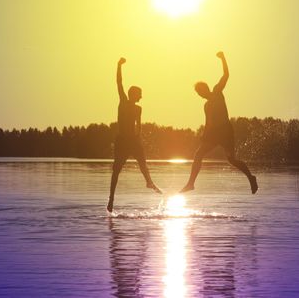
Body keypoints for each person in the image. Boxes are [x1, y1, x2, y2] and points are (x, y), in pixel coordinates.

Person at [180, 51, 258, 194]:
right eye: (198, 94)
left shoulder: (217, 91)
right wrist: (204, 135)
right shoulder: (206, 105)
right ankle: (190, 183)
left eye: (200, 92)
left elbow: (226, 75)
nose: (200, 96)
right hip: (214, 133)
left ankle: (250, 177)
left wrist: (223, 58)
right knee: (198, 154)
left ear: (205, 89)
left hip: (225, 131)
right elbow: (208, 122)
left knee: (232, 160)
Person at [107, 57, 162, 212]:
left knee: (143, 164)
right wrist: (118, 65)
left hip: (133, 141)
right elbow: (119, 83)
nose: (141, 97)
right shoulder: (123, 101)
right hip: (122, 141)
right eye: (140, 94)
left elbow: (139, 126)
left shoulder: (139, 109)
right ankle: (111, 198)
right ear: (133, 94)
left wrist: (139, 140)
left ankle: (149, 182)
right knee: (116, 170)